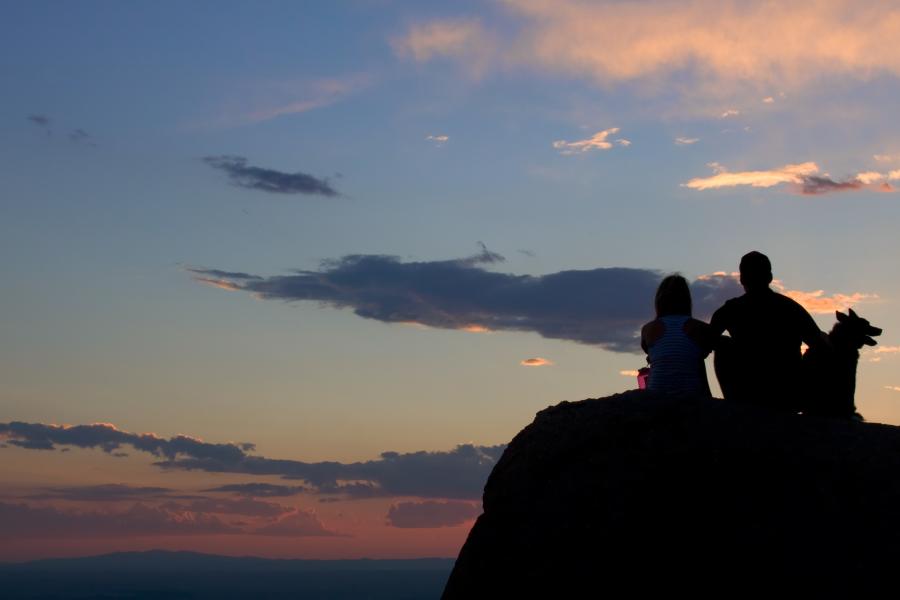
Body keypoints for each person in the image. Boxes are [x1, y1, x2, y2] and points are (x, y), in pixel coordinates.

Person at [709, 251, 826, 409]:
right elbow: (821, 347)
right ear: (770, 278)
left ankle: (735, 405)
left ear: (742, 279)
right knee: (821, 344)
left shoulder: (732, 309)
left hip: (747, 392)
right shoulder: (791, 308)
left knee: (722, 344)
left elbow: (705, 343)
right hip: (789, 394)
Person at [641, 274, 712, 396]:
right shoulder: (699, 327)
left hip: (655, 395)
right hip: (691, 396)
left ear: (659, 301)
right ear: (687, 300)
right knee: (697, 357)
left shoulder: (647, 329)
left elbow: (652, 353)